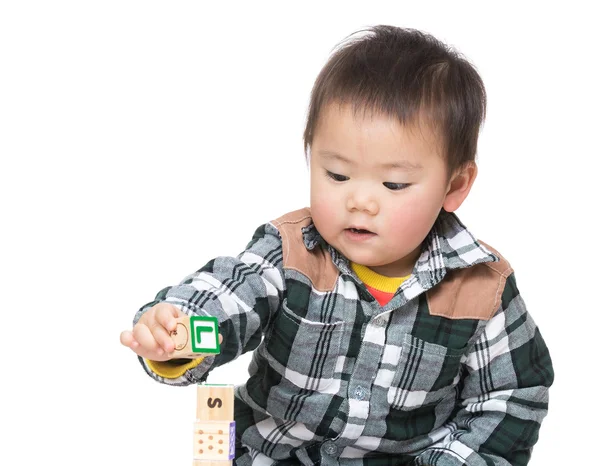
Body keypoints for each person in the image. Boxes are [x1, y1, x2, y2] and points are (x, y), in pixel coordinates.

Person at [120, 25, 553, 466]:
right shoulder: (290, 251)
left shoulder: (482, 289)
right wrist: (180, 326)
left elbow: (511, 397)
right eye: (337, 175)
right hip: (274, 455)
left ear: (454, 185)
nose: (360, 202)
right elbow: (232, 290)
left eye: (394, 183)